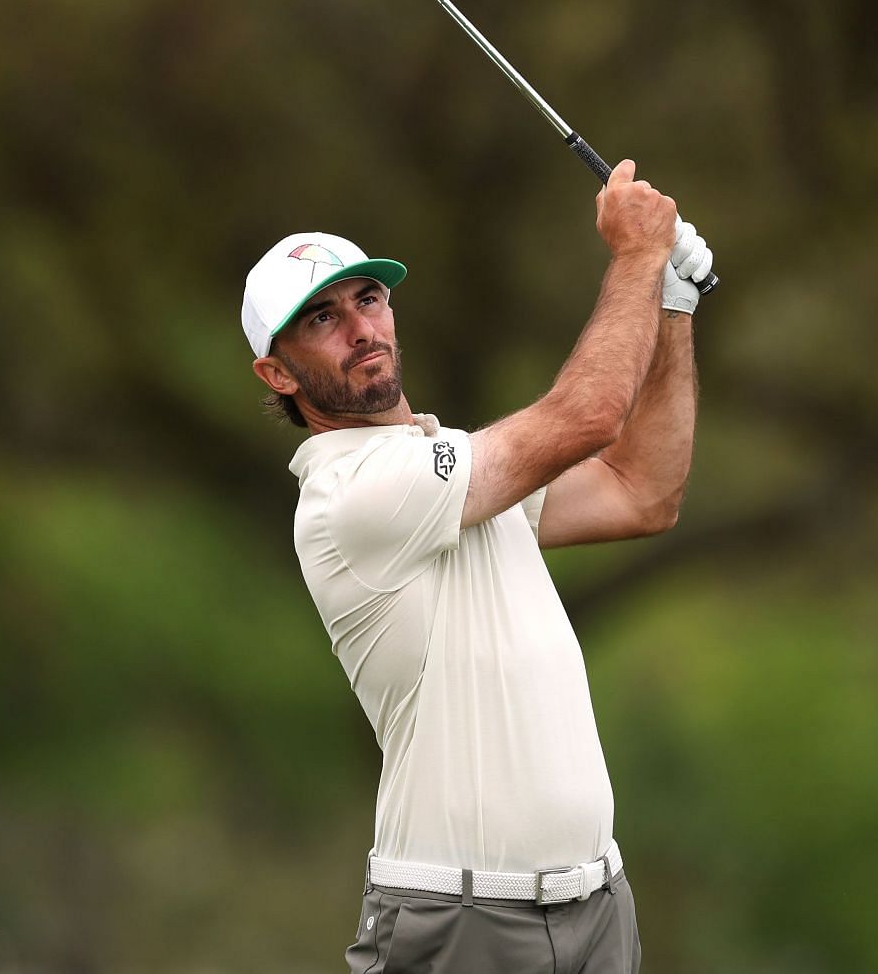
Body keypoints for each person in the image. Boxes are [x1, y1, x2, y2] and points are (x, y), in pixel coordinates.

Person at [242, 160, 712, 974]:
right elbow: (588, 417)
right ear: (278, 373)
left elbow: (644, 492)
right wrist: (638, 257)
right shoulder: (348, 493)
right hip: (459, 923)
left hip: (599, 906)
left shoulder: (443, 461)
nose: (360, 328)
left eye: (368, 298)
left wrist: (671, 303)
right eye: (322, 317)